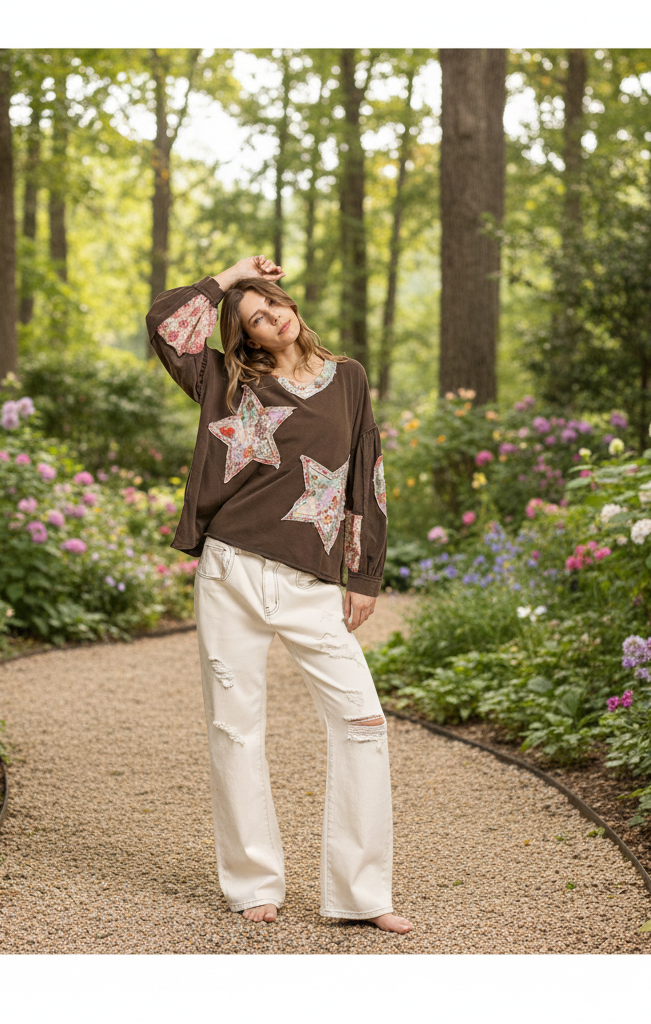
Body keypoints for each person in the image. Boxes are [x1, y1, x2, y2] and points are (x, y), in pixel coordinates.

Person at [145, 254, 411, 934]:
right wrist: (229, 277)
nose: (272, 318)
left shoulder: (348, 379)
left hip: (312, 583)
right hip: (231, 571)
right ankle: (253, 883)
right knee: (236, 728)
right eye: (254, 317)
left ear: (292, 308)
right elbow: (167, 323)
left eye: (274, 304)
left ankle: (361, 894)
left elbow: (367, 476)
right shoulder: (223, 380)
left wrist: (366, 574)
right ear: (246, 338)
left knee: (362, 721)